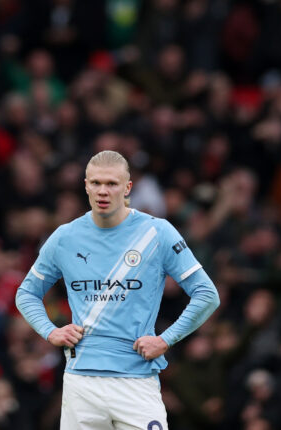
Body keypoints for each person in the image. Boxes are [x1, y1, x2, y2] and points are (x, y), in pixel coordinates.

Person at [15, 150, 220, 429]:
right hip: (81, 383)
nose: (103, 191)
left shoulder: (157, 233)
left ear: (128, 188)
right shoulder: (65, 237)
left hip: (135, 381)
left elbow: (207, 294)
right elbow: (26, 293)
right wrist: (50, 331)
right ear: (86, 185)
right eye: (96, 183)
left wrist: (166, 340)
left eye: (111, 183)